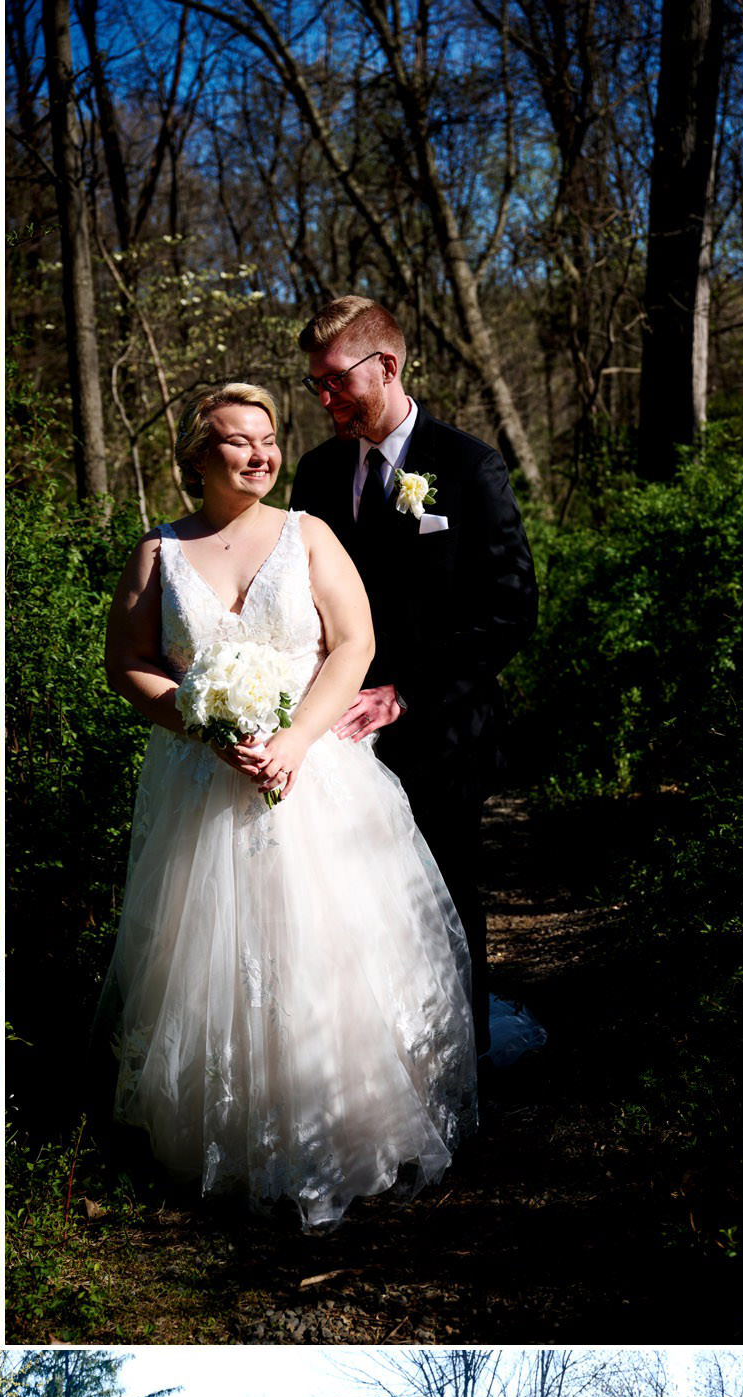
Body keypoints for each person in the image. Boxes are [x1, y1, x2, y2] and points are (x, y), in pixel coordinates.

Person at [97, 381, 476, 1225]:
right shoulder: (158, 552)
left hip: (316, 773)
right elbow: (128, 663)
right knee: (210, 963)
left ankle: (342, 1127)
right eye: (239, 441)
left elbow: (355, 644)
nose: (262, 454)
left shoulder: (310, 535)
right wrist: (199, 721)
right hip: (206, 783)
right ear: (200, 456)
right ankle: (224, 1139)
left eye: (269, 438)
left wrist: (294, 740)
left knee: (328, 946)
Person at [287, 295, 539, 1061]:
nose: (325, 399)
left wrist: (405, 693)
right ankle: (376, 1073)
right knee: (352, 910)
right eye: (316, 386)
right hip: (337, 743)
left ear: (386, 366)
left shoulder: (468, 466)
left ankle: (462, 1076)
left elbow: (509, 610)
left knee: (444, 906)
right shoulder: (318, 474)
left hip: (440, 736)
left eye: (336, 382)